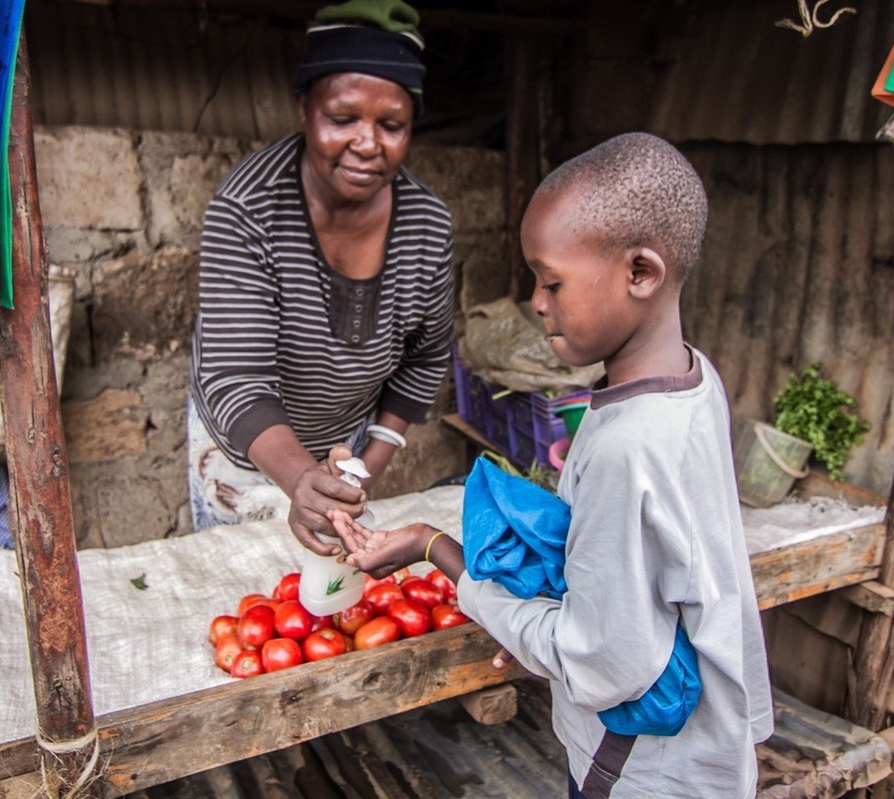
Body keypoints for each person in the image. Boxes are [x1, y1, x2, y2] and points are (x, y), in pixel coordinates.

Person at [330, 133, 773, 798]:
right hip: (698, 749)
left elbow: (597, 660)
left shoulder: (629, 446)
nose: (536, 301)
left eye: (551, 280)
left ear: (641, 273)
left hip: (640, 772)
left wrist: (434, 548)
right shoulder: (691, 375)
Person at [187, 0, 455, 550]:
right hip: (244, 451)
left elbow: (425, 357)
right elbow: (236, 378)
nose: (367, 143)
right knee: (244, 591)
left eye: (392, 125)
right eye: (342, 118)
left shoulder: (427, 224)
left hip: (343, 447)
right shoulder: (249, 208)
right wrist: (295, 479)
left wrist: (366, 468)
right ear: (304, 108)